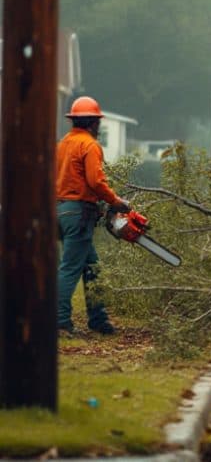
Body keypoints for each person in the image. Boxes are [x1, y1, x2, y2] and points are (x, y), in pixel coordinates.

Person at [56, 96, 131, 335]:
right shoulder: (89, 145)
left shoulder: (63, 144)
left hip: (60, 211)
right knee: (69, 268)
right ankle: (59, 322)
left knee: (93, 268)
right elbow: (96, 181)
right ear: (94, 123)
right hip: (78, 213)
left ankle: (99, 320)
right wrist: (116, 201)